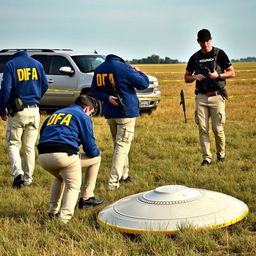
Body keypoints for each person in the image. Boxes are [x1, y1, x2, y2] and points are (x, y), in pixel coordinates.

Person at [37, 95, 104, 223]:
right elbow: (90, 147)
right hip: (64, 154)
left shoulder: (56, 113)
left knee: (60, 177)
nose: (90, 116)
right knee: (74, 185)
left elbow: (43, 134)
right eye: (91, 113)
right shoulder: (83, 116)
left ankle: (52, 211)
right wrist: (96, 152)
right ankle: (69, 214)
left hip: (43, 156)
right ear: (87, 109)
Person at [91, 54, 149, 191]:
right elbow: (143, 84)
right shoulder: (124, 68)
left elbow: (94, 90)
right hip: (125, 112)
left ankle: (124, 175)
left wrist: (107, 97)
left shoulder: (99, 69)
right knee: (122, 147)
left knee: (119, 145)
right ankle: (113, 183)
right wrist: (139, 71)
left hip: (110, 113)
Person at [184, 29, 235, 166]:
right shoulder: (195, 57)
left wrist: (218, 76)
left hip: (217, 96)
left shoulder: (219, 54)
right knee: (202, 128)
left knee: (217, 129)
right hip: (201, 97)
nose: (205, 43)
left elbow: (232, 73)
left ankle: (221, 156)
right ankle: (207, 158)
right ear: (198, 42)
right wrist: (194, 77)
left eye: (207, 40)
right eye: (202, 41)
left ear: (211, 39)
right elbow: (186, 77)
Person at [0, 50, 49, 188]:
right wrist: (35, 97)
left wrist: (1, 108)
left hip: (18, 112)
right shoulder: (37, 64)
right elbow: (45, 84)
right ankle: (28, 180)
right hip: (34, 110)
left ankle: (18, 174)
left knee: (13, 144)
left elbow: (6, 89)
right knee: (29, 147)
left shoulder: (11, 65)